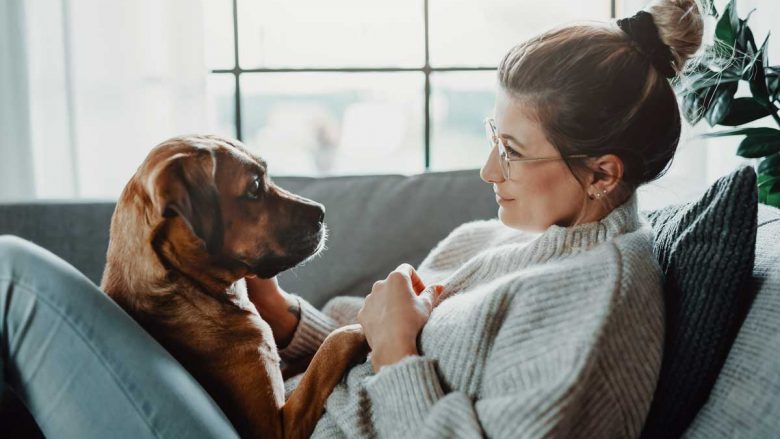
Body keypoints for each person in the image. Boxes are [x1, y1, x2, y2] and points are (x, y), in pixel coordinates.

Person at [0, 0, 703, 437]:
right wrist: (286, 322)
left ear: (604, 172)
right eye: (493, 138)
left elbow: (388, 353)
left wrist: (398, 353)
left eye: (512, 151)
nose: (488, 171)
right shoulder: (499, 237)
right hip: (270, 411)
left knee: (10, 274)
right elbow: (359, 335)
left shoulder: (599, 302)